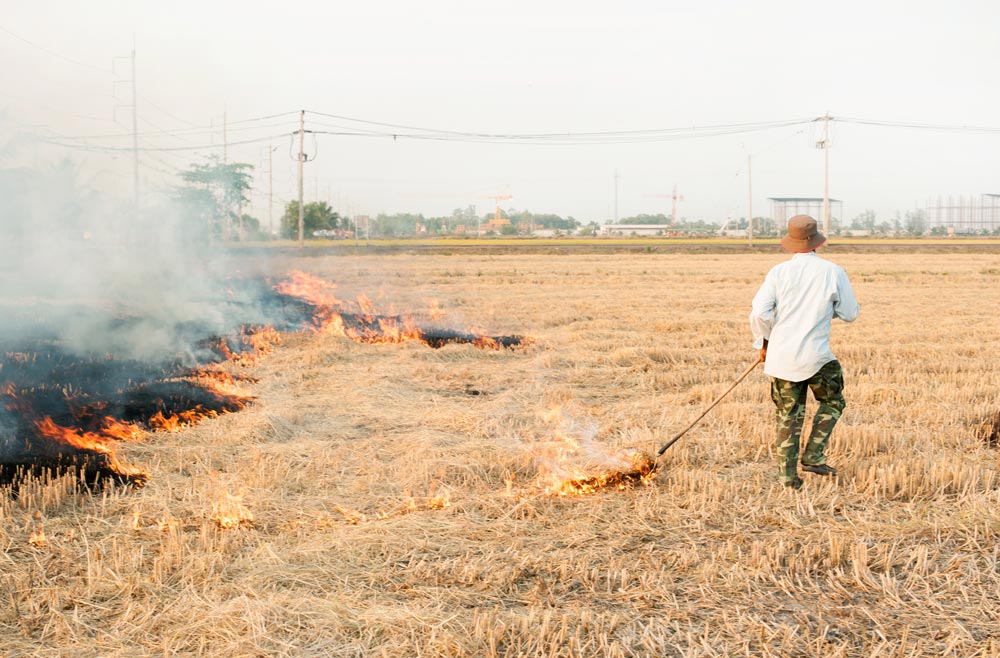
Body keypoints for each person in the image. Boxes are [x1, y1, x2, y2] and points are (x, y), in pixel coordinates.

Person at [749, 215, 859, 490]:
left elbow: (759, 313)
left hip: (781, 358)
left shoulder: (778, 273)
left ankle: (788, 480)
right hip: (817, 357)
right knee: (833, 402)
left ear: (791, 241)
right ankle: (813, 455)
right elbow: (849, 313)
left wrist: (764, 343)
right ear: (817, 242)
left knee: (788, 416)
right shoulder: (833, 272)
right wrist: (826, 311)